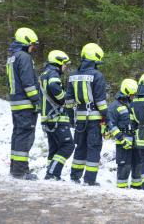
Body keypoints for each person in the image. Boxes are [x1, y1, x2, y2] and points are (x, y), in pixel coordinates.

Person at [65, 43, 108, 186]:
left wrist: (71, 117)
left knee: (80, 147)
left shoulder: (72, 76)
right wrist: (107, 118)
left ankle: (74, 176)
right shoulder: (97, 75)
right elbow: (101, 101)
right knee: (93, 148)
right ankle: (89, 180)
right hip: (94, 119)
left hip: (80, 119)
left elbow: (69, 101)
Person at [6, 27, 40, 180]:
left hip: (16, 102)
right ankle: (20, 171)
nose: (33, 48)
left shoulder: (12, 57)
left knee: (18, 134)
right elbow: (28, 82)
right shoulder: (24, 57)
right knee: (25, 136)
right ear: (25, 42)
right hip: (26, 103)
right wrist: (36, 100)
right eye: (32, 44)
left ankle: (15, 168)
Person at [40, 50, 74, 180]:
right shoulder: (53, 73)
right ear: (58, 63)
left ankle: (51, 174)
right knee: (67, 146)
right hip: (56, 117)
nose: (65, 67)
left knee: (54, 148)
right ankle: (52, 174)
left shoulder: (44, 73)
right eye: (64, 64)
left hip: (47, 117)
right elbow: (54, 86)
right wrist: (64, 99)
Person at [108, 79, 142, 189]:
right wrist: (121, 138)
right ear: (126, 93)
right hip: (123, 142)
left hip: (136, 141)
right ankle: (121, 189)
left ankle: (137, 187)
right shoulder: (114, 106)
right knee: (124, 166)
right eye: (132, 95)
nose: (133, 96)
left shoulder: (134, 104)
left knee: (138, 165)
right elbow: (111, 125)